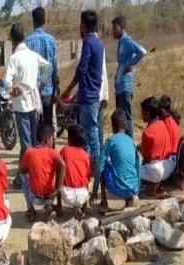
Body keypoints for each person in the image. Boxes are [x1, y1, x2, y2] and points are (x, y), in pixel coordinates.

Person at [4, 23, 52, 188]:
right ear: (23, 37)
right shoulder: (32, 55)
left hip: (21, 105)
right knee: (31, 141)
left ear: (12, 40)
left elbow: (7, 82)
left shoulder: (14, 58)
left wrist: (12, 90)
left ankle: (25, 177)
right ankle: (25, 175)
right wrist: (41, 85)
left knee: (26, 144)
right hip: (34, 102)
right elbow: (49, 67)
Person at [62, 10, 104, 173]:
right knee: (90, 131)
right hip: (93, 94)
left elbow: (82, 69)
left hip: (88, 96)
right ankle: (88, 165)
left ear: (84, 25)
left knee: (90, 133)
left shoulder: (88, 42)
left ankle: (93, 168)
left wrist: (68, 89)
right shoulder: (99, 43)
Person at [91, 109, 140, 210]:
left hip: (118, 187)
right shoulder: (131, 141)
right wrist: (137, 190)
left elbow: (99, 167)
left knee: (104, 165)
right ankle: (130, 198)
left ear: (113, 127)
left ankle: (104, 203)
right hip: (133, 188)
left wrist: (95, 191)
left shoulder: (111, 140)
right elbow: (137, 165)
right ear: (126, 125)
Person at [20, 125, 66, 221]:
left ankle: (31, 210)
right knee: (55, 175)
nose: (53, 141)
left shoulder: (29, 152)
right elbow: (63, 165)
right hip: (50, 196)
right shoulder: (53, 152)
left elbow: (22, 170)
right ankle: (49, 205)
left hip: (35, 197)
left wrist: (33, 171)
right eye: (52, 138)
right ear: (47, 139)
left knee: (23, 179)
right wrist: (58, 190)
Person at [112, 15, 147, 138]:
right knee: (120, 119)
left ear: (122, 28)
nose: (113, 31)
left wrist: (132, 65)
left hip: (125, 86)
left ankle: (130, 146)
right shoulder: (121, 42)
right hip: (120, 87)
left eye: (115, 28)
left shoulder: (127, 41)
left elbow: (142, 51)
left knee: (126, 118)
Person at [25, 7, 58, 129]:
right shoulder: (51, 40)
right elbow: (54, 67)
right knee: (48, 125)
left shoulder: (27, 42)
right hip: (48, 90)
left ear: (33, 22)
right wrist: (55, 88)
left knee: (35, 126)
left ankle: (37, 147)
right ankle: (50, 148)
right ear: (44, 21)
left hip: (33, 92)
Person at [139, 97, 174, 196]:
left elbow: (147, 157)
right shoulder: (163, 124)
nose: (141, 115)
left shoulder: (147, 132)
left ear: (148, 114)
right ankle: (156, 186)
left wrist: (140, 148)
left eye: (142, 112)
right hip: (169, 166)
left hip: (156, 170)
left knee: (133, 170)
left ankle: (152, 189)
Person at [59, 125, 90, 218]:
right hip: (83, 194)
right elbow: (87, 176)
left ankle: (59, 208)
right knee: (87, 182)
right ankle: (82, 209)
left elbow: (58, 167)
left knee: (58, 176)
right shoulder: (85, 154)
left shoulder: (64, 150)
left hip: (66, 194)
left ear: (69, 139)